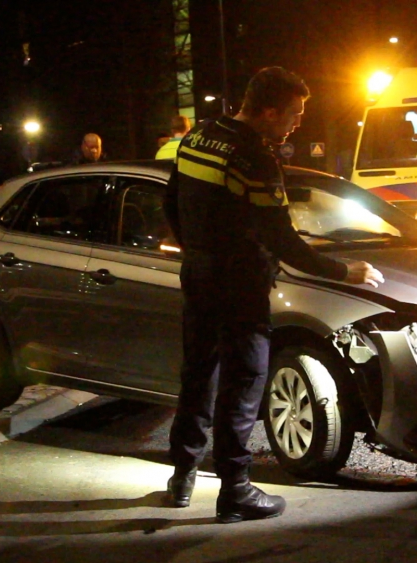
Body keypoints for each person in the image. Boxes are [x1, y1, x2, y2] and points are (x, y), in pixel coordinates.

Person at [163, 67, 384, 523]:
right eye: (294, 114)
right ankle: (235, 490)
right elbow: (282, 239)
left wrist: (196, 248)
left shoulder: (199, 136)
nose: (298, 123)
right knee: (244, 381)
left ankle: (182, 475)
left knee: (198, 373)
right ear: (267, 112)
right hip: (239, 283)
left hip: (199, 273)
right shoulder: (255, 159)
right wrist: (345, 270)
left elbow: (170, 199)